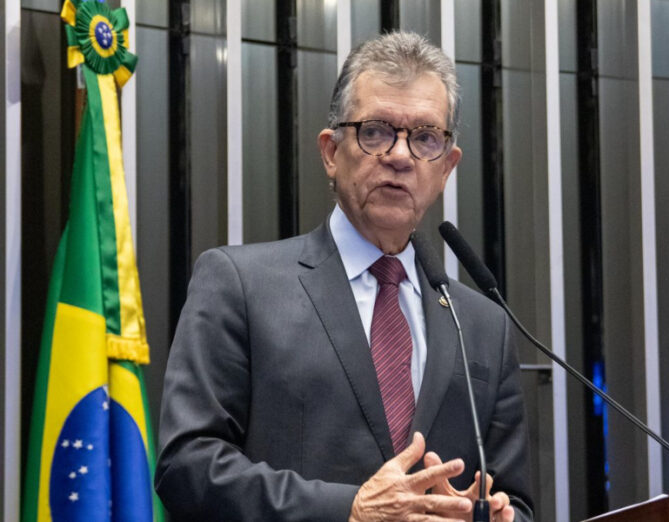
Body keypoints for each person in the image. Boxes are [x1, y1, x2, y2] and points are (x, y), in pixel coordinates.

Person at [155, 31, 534, 521]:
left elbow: (517, 500)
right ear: (331, 152)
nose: (400, 156)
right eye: (375, 131)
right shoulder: (239, 285)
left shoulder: (483, 325)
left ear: (446, 168)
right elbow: (186, 466)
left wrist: (498, 516)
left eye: (425, 138)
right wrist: (349, 511)